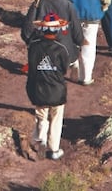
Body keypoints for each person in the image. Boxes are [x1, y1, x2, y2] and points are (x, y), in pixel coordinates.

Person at [26, 12, 72, 161]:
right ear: (57, 30)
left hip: (38, 88)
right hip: (57, 90)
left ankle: (41, 138)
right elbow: (65, 69)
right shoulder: (61, 49)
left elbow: (31, 67)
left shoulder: (33, 47)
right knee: (56, 119)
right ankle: (54, 149)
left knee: (41, 116)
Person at [21, 0, 83, 68]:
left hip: (42, 47)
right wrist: (79, 43)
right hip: (64, 48)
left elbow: (28, 27)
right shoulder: (68, 4)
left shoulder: (39, 1)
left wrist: (30, 42)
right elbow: (76, 29)